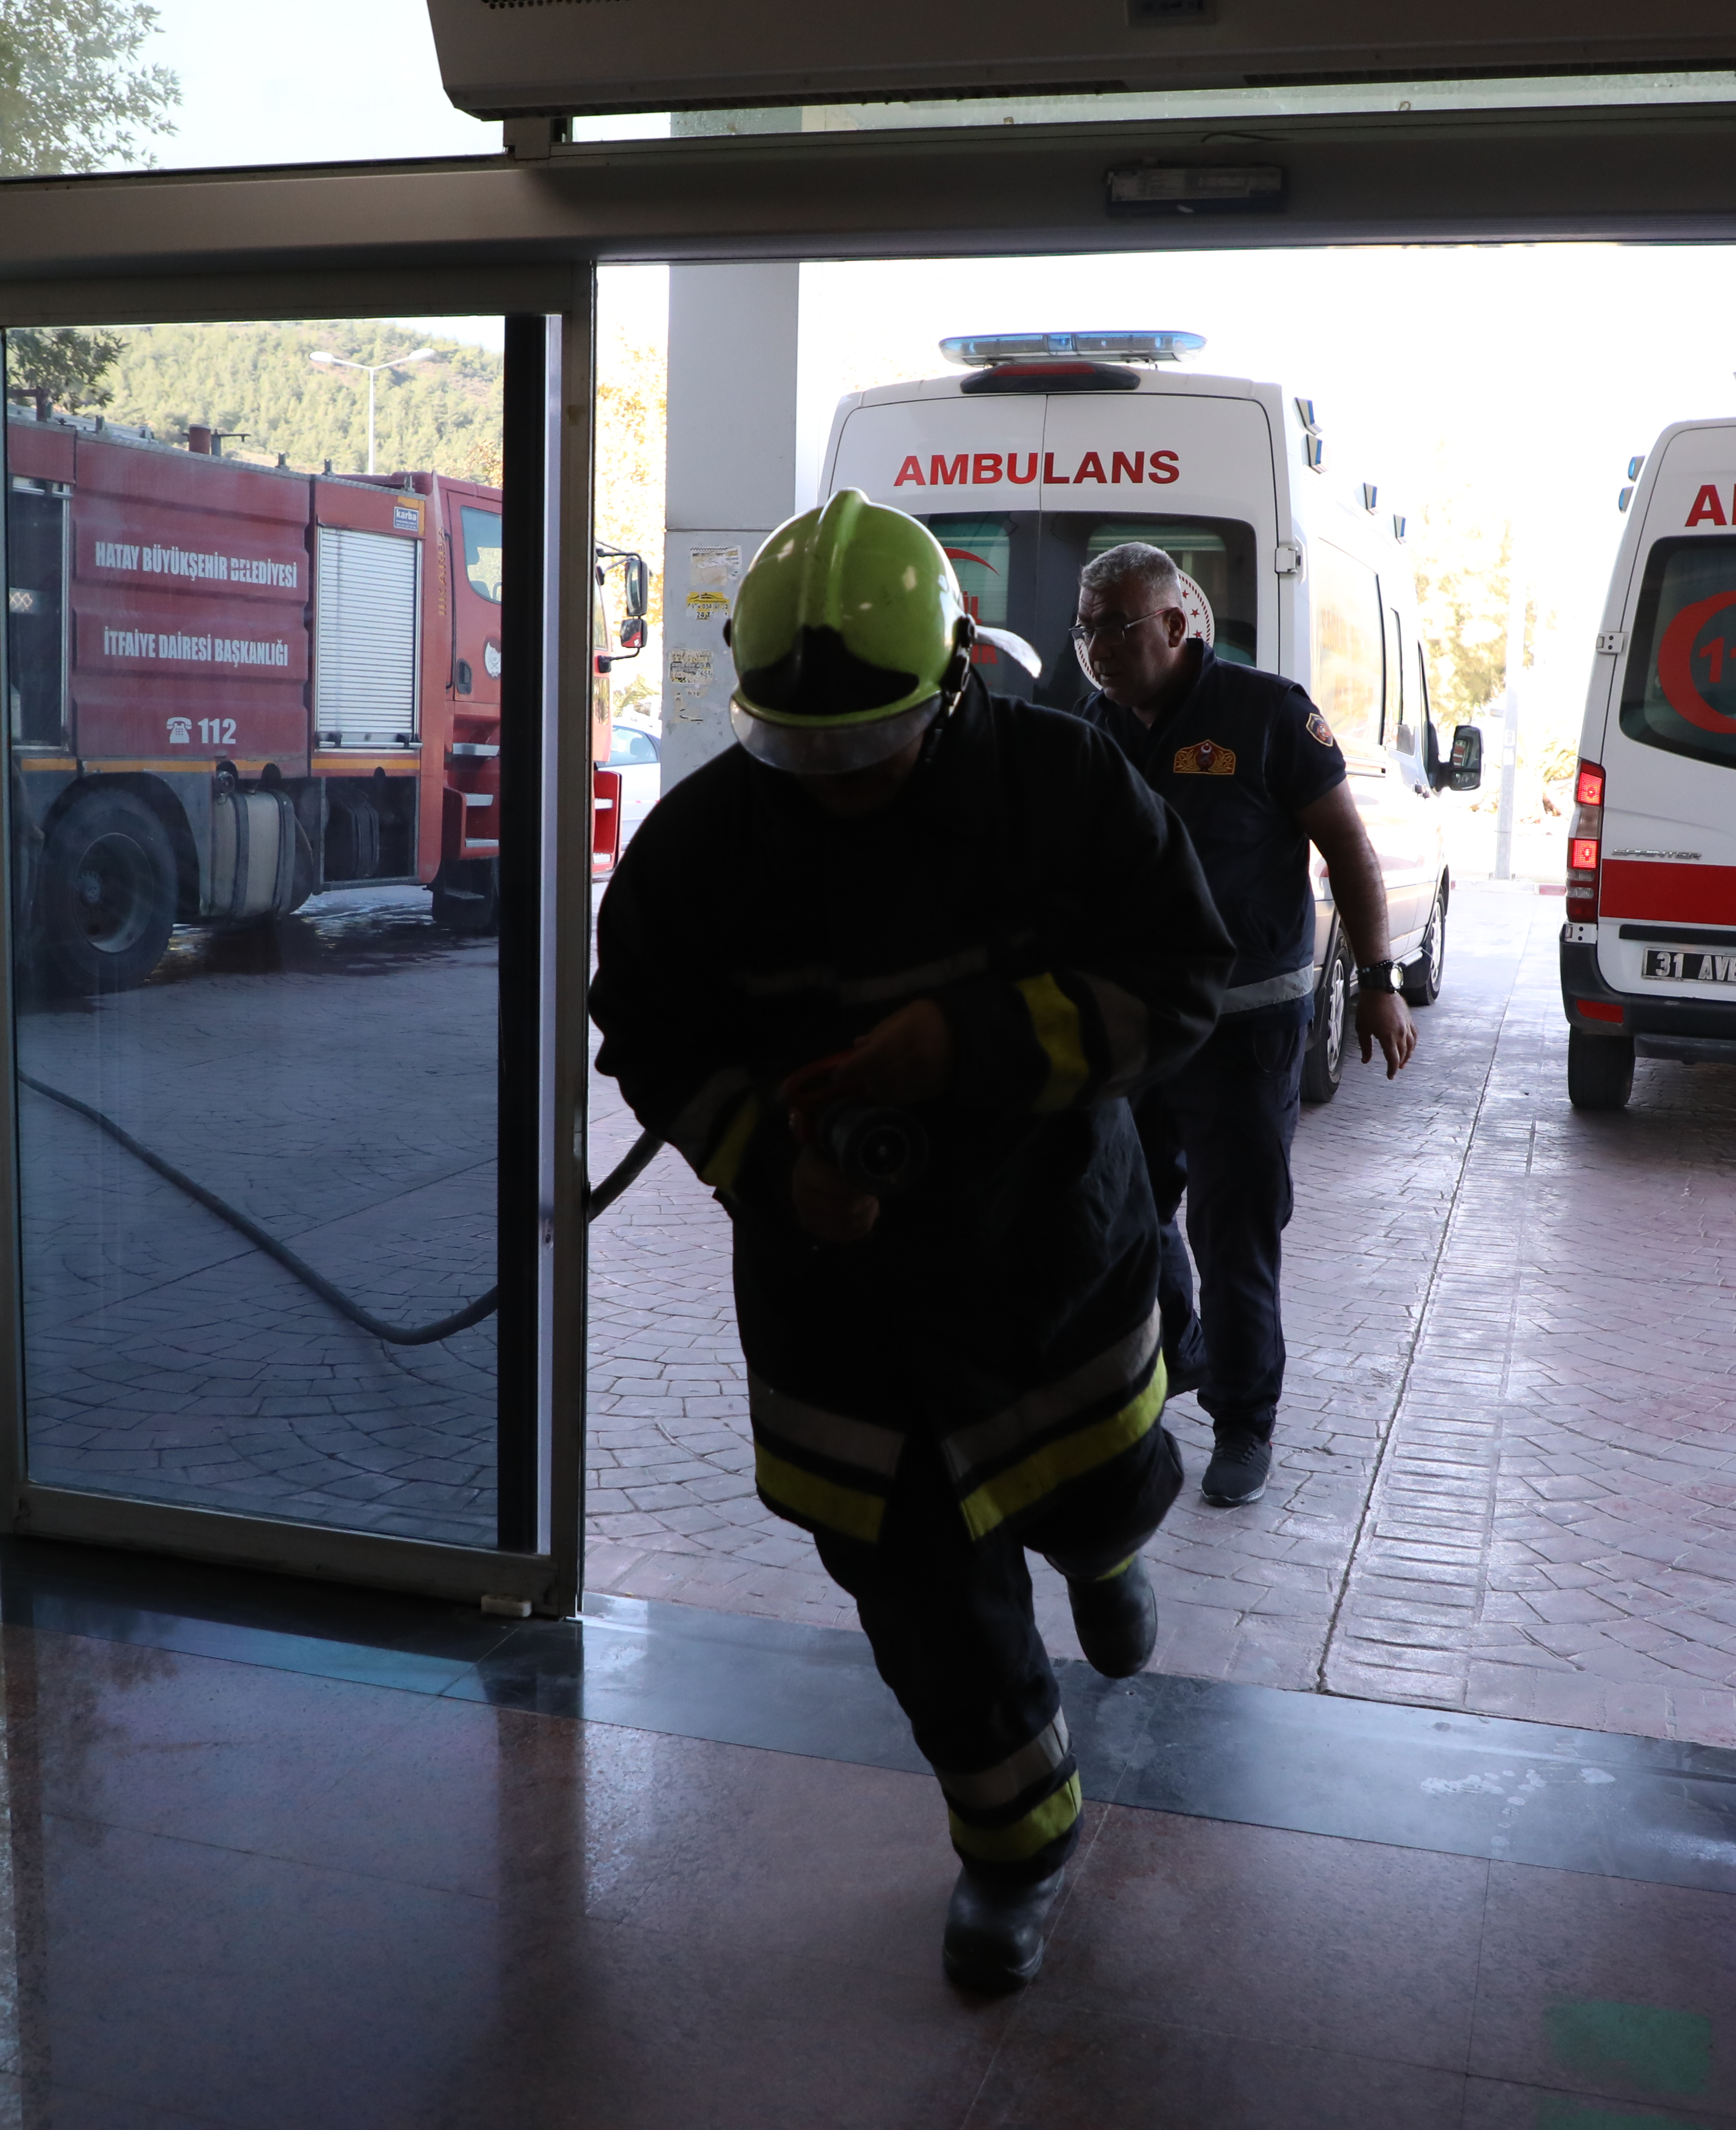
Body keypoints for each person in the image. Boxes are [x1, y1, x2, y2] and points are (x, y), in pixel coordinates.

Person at [590, 491, 1231, 1992]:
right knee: (922, 1608)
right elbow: (652, 1034)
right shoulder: (699, 854)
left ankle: (1105, 1545)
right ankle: (1014, 1846)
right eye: (800, 747)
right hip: (845, 1312)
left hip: (1047, 1264)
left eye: (864, 739)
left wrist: (971, 1043)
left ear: (952, 672)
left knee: (1097, 1483)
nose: (836, 780)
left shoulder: (1060, 784)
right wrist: (775, 1170)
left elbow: (1182, 969)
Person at [1067, 542, 1415, 1508]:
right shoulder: (1090, 728)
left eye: (1116, 624)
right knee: (1126, 1211)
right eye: (1085, 625)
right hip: (1133, 1029)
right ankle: (1182, 1348)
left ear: (1178, 625)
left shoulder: (1264, 712)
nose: (1095, 645)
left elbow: (1347, 845)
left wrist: (1379, 979)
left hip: (1245, 1030)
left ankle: (1244, 1421)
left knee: (1236, 1234)